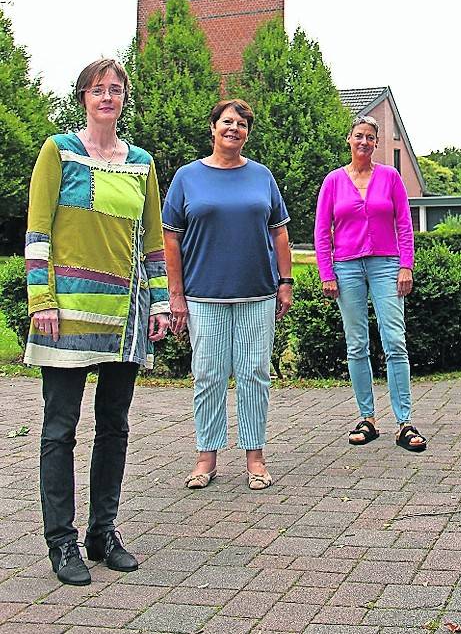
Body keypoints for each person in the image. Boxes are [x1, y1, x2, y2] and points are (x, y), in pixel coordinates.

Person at [25, 58, 170, 586]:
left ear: (124, 98)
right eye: (98, 89)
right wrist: (41, 300)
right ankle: (61, 543)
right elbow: (37, 230)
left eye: (116, 89)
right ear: (83, 96)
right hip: (64, 315)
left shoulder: (142, 164)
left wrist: (157, 304)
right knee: (59, 429)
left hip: (124, 319)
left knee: (114, 427)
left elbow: (152, 241)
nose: (107, 97)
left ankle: (102, 533)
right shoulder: (58, 150)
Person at [162, 99, 292, 492]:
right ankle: (207, 458)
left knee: (255, 374)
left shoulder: (262, 176)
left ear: (247, 133)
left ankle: (255, 458)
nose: (234, 128)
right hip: (204, 296)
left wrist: (284, 282)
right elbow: (171, 239)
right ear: (213, 127)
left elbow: (279, 233)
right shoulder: (187, 177)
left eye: (241, 124)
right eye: (227, 122)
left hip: (257, 294)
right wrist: (176, 295)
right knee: (209, 376)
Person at [314, 116, 426, 452]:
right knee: (356, 343)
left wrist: (406, 265)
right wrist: (326, 273)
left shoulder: (391, 177)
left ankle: (404, 422)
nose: (364, 142)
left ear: (377, 143)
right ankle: (367, 418)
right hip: (346, 267)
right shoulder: (333, 181)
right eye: (358, 136)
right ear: (349, 139)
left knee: (395, 340)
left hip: (386, 264)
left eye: (370, 137)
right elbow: (322, 231)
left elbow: (404, 225)